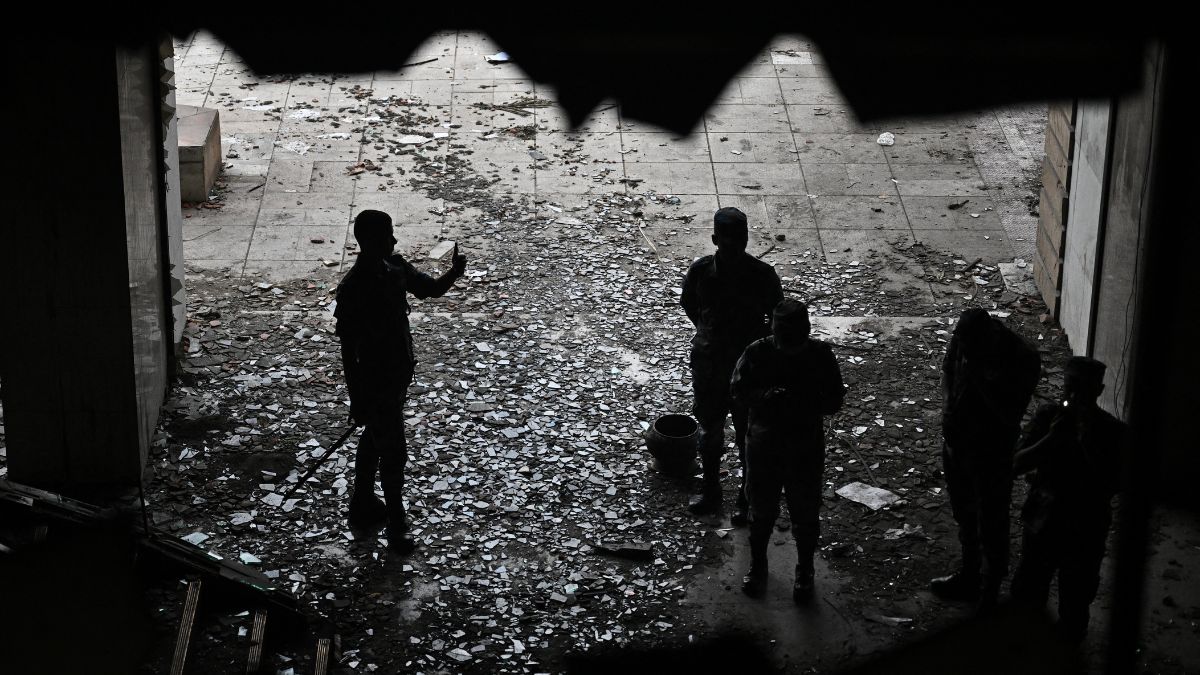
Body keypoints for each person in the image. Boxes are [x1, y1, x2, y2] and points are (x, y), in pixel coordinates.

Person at [334, 210, 466, 554]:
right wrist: (357, 399)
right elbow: (349, 351)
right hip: (375, 382)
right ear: (369, 241)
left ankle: (362, 501)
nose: (394, 241)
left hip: (396, 376)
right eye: (387, 236)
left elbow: (430, 290)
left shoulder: (395, 268)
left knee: (376, 439)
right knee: (394, 452)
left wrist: (453, 272)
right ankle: (396, 520)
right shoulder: (352, 289)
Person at [730, 298, 844, 602]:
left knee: (804, 515)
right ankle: (759, 565)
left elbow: (834, 400)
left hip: (802, 447)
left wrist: (804, 403)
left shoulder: (820, 356)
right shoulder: (757, 353)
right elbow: (738, 390)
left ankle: (804, 570)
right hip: (766, 445)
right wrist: (767, 397)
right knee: (761, 511)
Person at [1011, 356, 1125, 643]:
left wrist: (1085, 442)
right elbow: (1015, 464)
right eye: (1070, 388)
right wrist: (1050, 440)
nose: (1073, 396)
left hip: (1084, 528)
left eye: (1082, 390)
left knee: (1075, 606)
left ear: (1098, 392)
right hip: (1044, 521)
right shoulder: (1049, 417)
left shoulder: (1112, 432)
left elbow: (1114, 483)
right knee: (1027, 598)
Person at [931, 307, 1041, 607]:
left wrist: (979, 376)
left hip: (991, 452)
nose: (963, 351)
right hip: (956, 442)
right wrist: (947, 406)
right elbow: (947, 372)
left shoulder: (1020, 356)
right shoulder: (965, 338)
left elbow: (1008, 414)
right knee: (964, 513)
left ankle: (990, 588)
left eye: (969, 349)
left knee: (992, 518)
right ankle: (970, 574)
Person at [680, 207, 783, 522]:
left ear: (746, 239)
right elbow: (689, 305)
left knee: (746, 436)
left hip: (746, 370)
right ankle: (712, 492)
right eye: (728, 242)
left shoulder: (762, 276)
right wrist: (709, 334)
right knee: (710, 432)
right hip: (711, 368)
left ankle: (745, 498)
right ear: (715, 240)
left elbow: (776, 318)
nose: (734, 248)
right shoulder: (701, 273)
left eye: (739, 241)